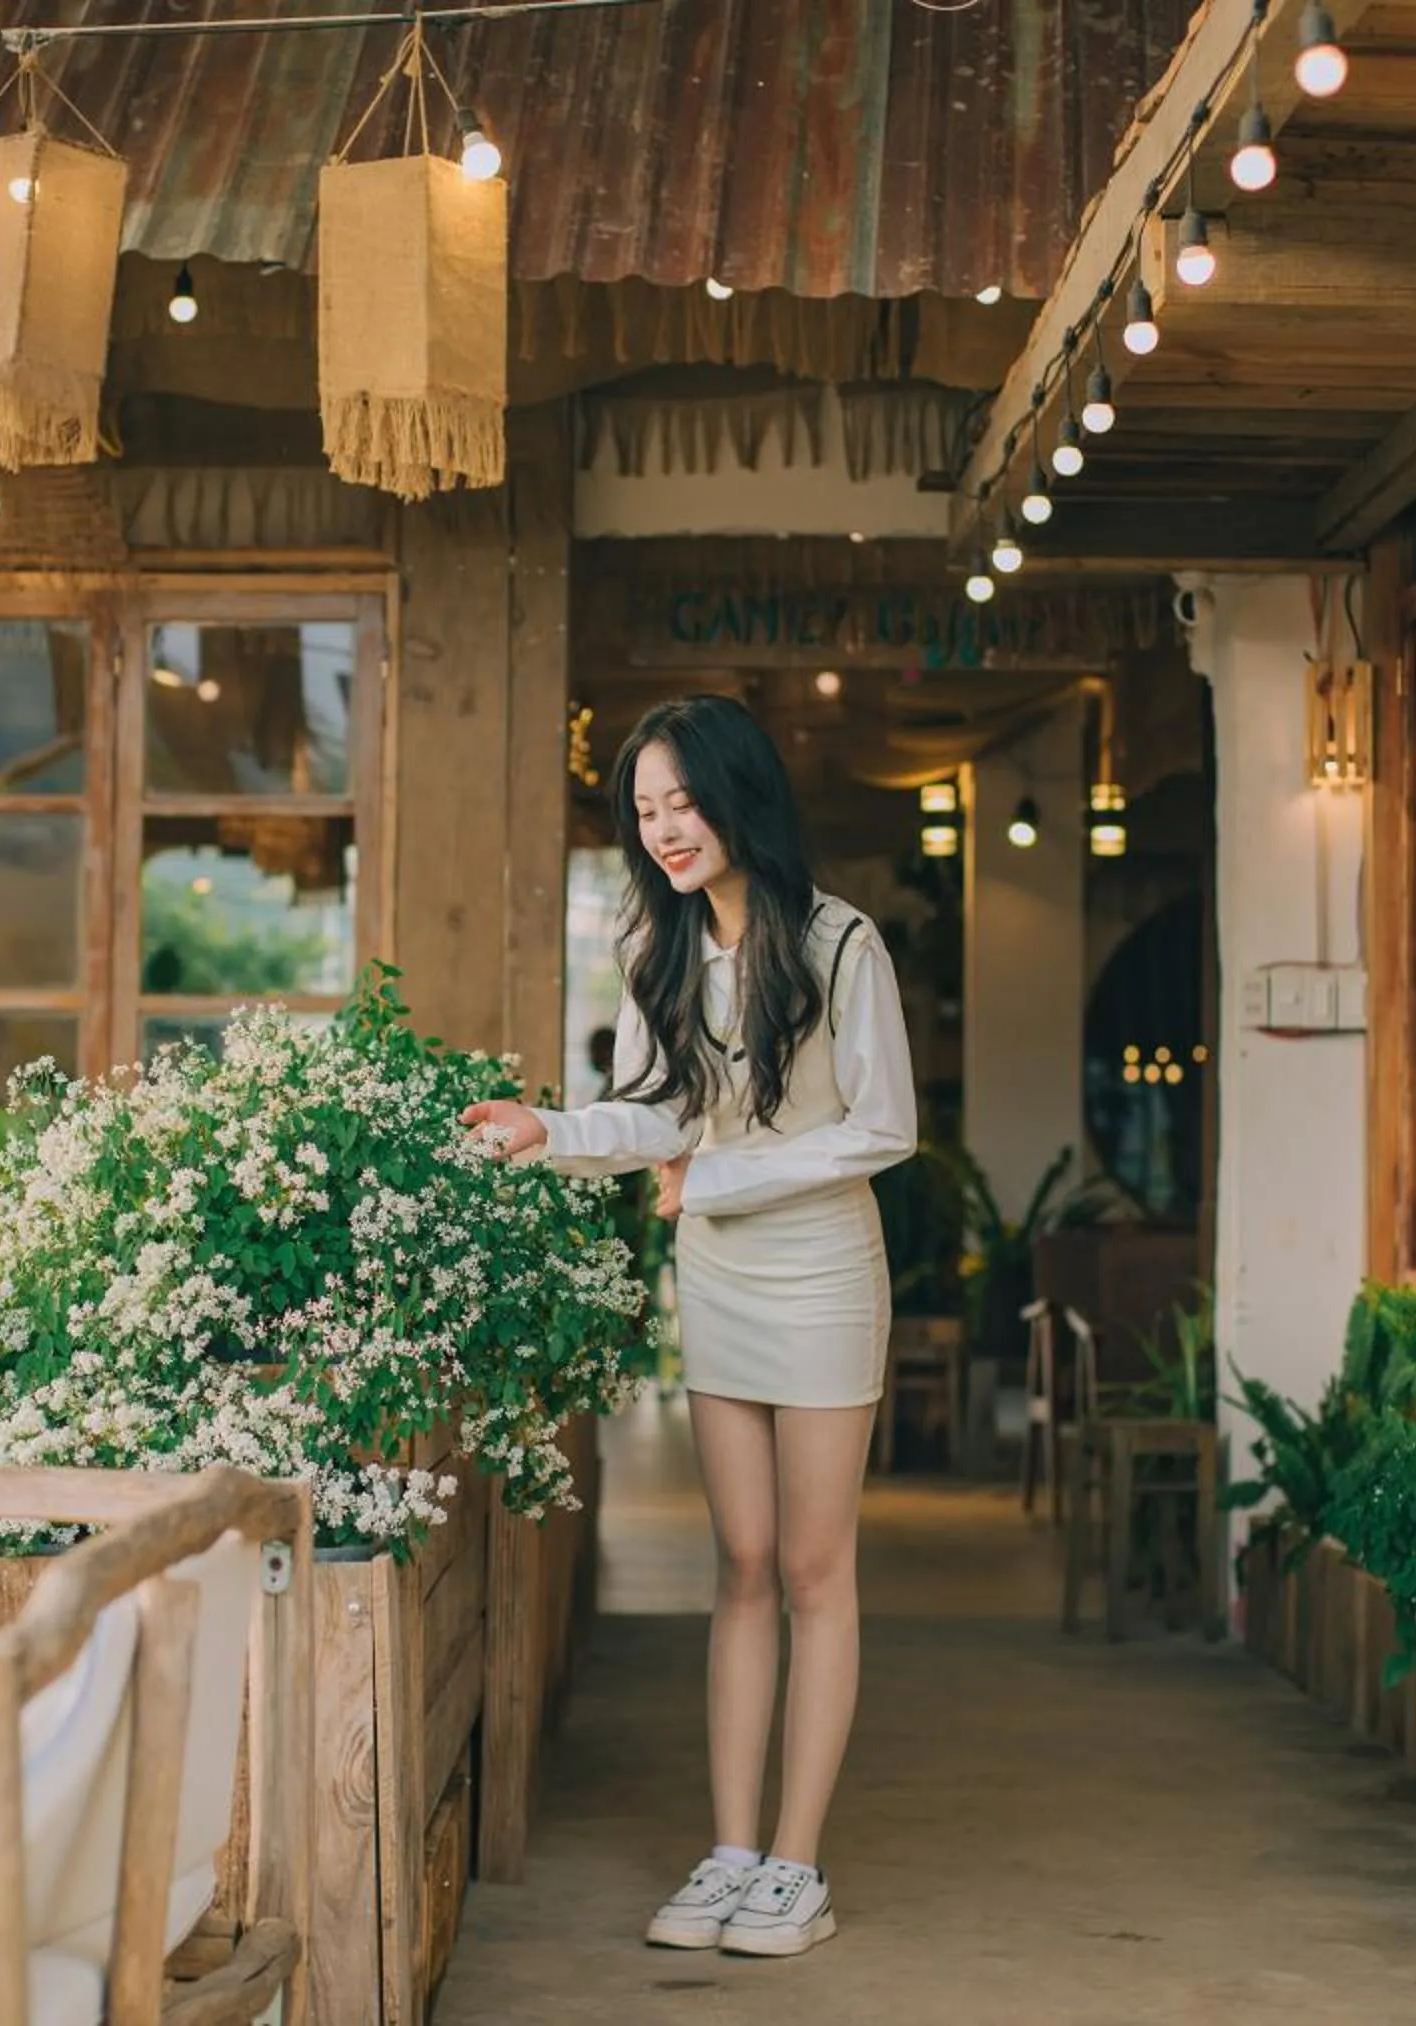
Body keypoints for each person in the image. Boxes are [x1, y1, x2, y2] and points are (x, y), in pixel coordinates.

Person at [461, 694, 915, 1960]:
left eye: (684, 802)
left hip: (822, 1276)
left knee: (816, 1570)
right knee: (743, 1563)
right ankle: (731, 1852)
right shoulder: (655, 944)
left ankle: (798, 1865)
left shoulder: (839, 942)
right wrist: (552, 1130)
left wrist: (719, 1175)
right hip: (716, 1275)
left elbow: (885, 1126)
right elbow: (657, 1111)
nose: (665, 829)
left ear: (738, 797)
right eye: (646, 809)